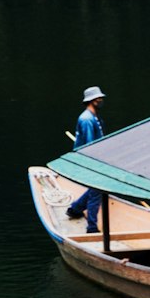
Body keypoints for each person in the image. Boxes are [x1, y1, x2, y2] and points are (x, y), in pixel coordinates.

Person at [65, 86, 107, 233]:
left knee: (97, 190)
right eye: (98, 98)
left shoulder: (94, 116)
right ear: (91, 100)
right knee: (97, 191)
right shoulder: (87, 119)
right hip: (90, 160)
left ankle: (75, 209)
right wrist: (95, 164)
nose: (101, 100)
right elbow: (90, 145)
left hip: (98, 160)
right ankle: (92, 228)